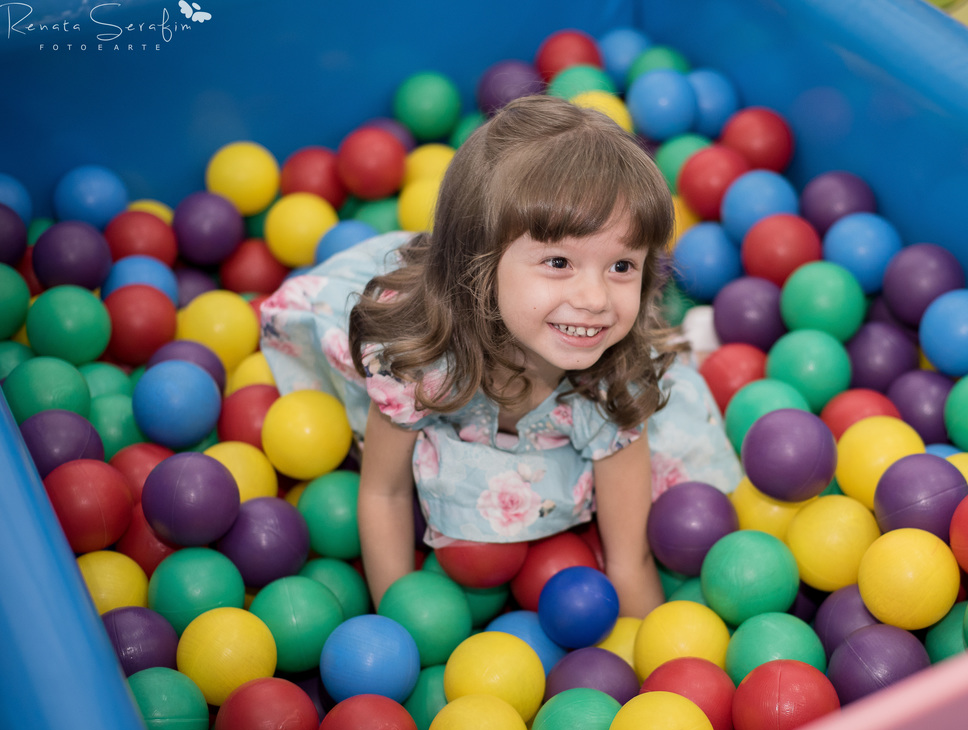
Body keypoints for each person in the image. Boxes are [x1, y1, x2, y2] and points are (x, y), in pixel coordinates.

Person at [260, 94, 742, 616]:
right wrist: (395, 624)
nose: (596, 299)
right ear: (481, 268)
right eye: (558, 261)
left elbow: (630, 561)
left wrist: (651, 669)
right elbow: (385, 495)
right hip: (447, 334)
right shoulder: (419, 361)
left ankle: (693, 329)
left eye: (622, 266)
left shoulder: (614, 377)